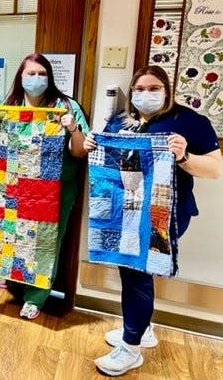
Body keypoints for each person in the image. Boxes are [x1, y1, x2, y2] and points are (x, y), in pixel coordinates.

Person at [85, 65, 222, 376]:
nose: (145, 94)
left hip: (165, 213)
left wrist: (185, 157)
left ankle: (130, 348)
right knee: (133, 272)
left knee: (137, 273)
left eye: (153, 88)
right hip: (124, 211)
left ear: (167, 90)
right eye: (140, 89)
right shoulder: (122, 120)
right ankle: (141, 330)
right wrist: (94, 145)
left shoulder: (189, 121)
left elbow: (216, 168)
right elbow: (106, 151)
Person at [0, 53, 88, 319]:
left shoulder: (65, 106)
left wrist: (74, 128)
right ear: (20, 78)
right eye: (30, 73)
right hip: (16, 186)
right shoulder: (10, 106)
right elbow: (3, 148)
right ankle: (14, 283)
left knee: (45, 242)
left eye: (41, 74)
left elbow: (79, 153)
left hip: (52, 189)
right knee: (13, 236)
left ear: (50, 77)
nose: (36, 79)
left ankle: (36, 297)